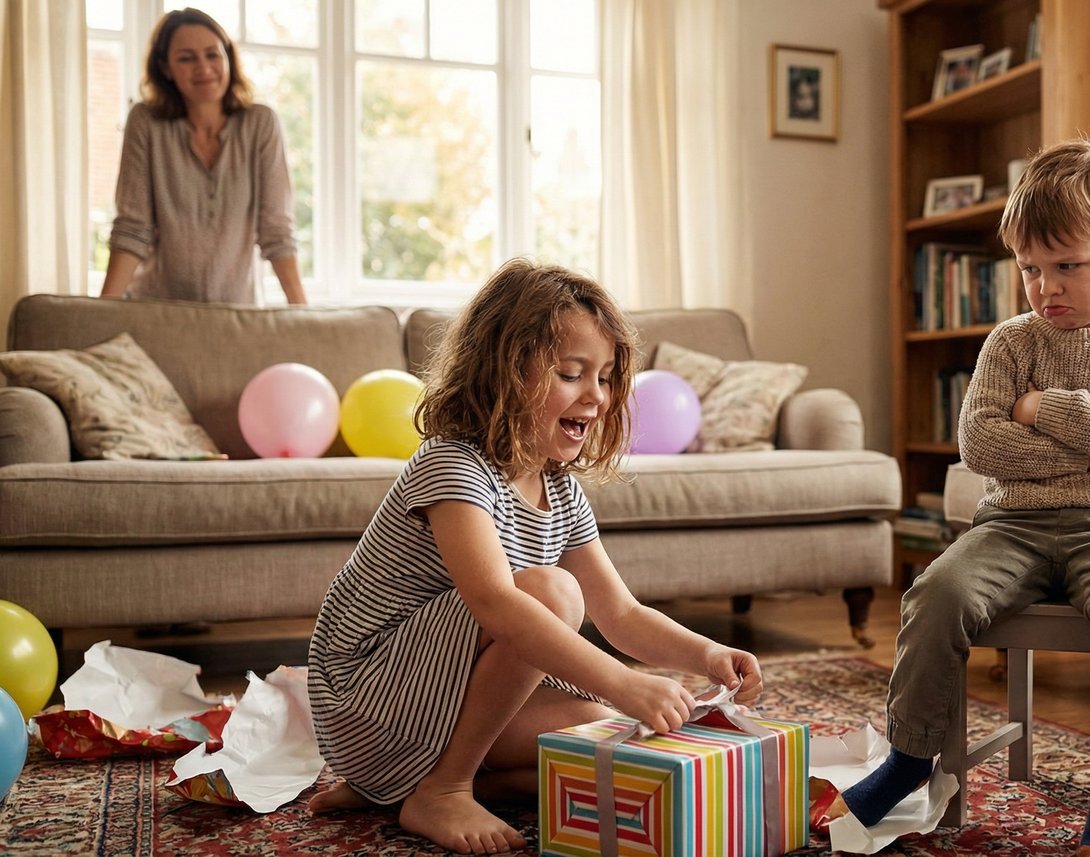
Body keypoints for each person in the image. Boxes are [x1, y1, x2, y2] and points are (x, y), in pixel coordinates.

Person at [305, 258, 763, 855]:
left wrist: (708, 655)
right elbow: (497, 605)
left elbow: (621, 615)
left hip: (435, 700)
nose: (595, 397)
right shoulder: (453, 466)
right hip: (365, 698)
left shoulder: (560, 490)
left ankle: (397, 790)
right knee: (549, 594)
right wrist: (626, 683)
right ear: (501, 371)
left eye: (604, 378)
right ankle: (444, 786)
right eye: (572, 374)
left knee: (601, 732)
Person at [829, 139, 1090, 857]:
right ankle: (908, 759)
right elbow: (982, 447)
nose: (1045, 287)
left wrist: (1039, 408)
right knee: (937, 592)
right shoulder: (1009, 340)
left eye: (1068, 266)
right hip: (1013, 525)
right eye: (1030, 269)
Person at [100, 8, 307, 304]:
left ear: (228, 59)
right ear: (166, 68)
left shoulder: (260, 123)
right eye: (186, 58)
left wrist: (302, 313)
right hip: (155, 310)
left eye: (213, 54)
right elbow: (132, 228)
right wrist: (101, 311)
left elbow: (277, 231)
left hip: (237, 315)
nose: (203, 67)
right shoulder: (145, 122)